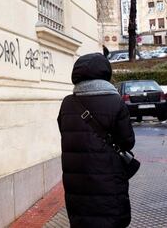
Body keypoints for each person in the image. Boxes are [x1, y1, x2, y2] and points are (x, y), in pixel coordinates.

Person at [57, 53, 135, 228]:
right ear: (105, 73)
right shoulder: (115, 102)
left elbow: (64, 131)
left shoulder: (68, 103)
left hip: (76, 183)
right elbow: (128, 141)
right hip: (109, 181)